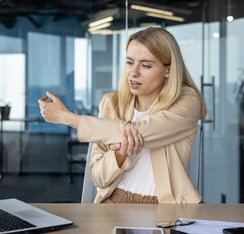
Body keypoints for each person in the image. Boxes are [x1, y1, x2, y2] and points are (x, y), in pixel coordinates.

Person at [38, 27, 207, 204]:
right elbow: (98, 178)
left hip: (164, 209)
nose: (133, 72)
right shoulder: (111, 103)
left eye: (146, 65)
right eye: (129, 62)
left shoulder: (186, 100)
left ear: (168, 70)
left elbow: (137, 132)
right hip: (113, 203)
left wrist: (66, 117)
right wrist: (119, 156)